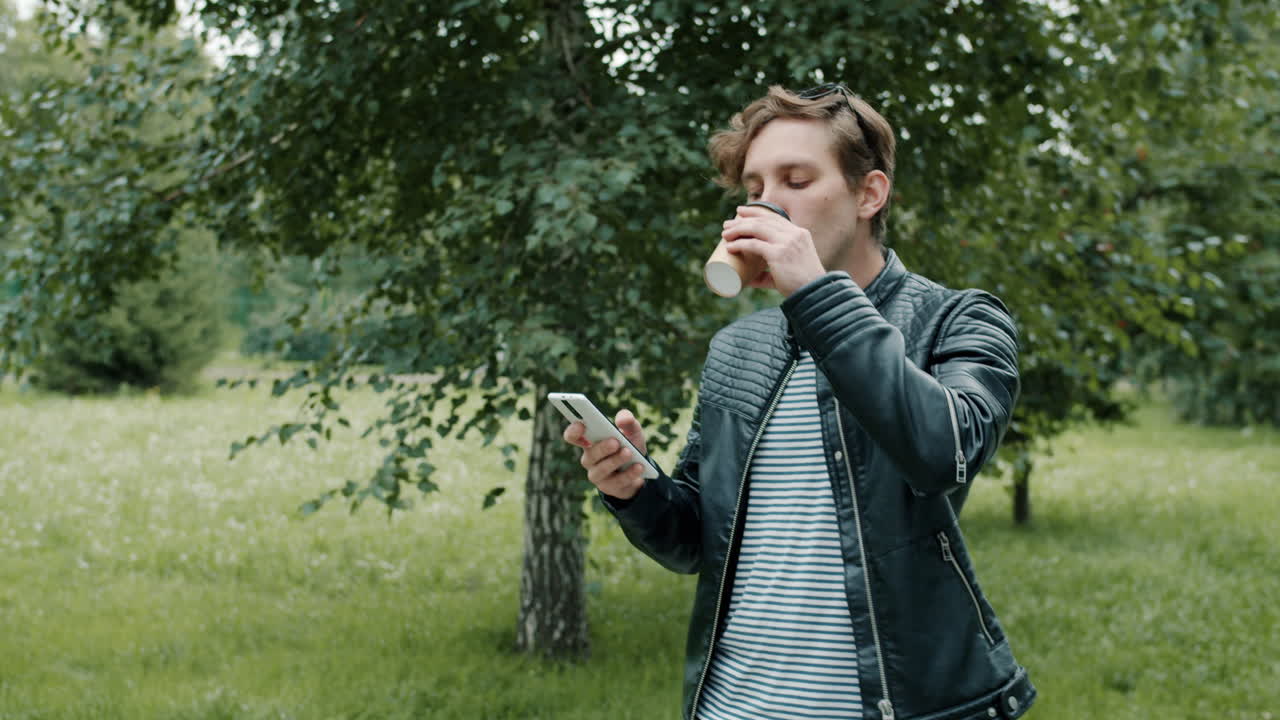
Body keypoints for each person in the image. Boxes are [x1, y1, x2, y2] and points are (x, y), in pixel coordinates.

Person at [562, 83, 1035, 720]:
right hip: (729, 706)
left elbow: (942, 453)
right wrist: (636, 491)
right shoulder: (738, 347)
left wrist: (816, 291)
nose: (768, 205)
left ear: (869, 194)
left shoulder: (959, 320)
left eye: (796, 180)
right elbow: (698, 542)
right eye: (755, 188)